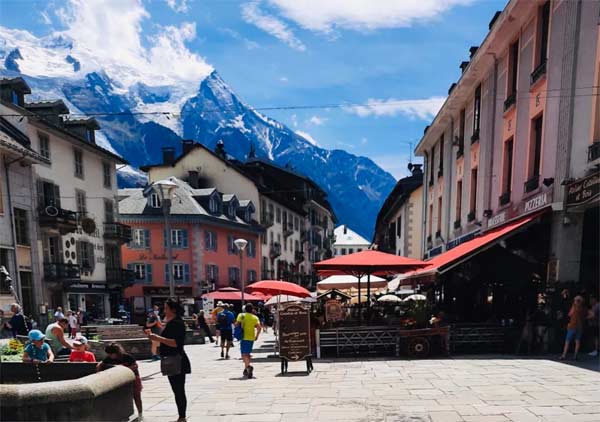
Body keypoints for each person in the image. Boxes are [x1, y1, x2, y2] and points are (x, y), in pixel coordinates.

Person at [147, 298, 191, 422]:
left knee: (178, 389)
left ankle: (182, 417)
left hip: (176, 359)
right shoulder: (171, 322)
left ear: (173, 309)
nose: (164, 310)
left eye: (166, 308)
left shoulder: (176, 323)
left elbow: (175, 343)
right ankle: (181, 416)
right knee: (177, 389)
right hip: (171, 358)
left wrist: (157, 338)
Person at [97, 343, 143, 418]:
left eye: (111, 354)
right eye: (108, 354)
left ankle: (140, 414)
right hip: (120, 380)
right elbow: (100, 364)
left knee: (137, 396)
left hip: (133, 378)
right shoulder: (108, 359)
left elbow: (135, 366)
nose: (110, 355)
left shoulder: (127, 357)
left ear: (116, 352)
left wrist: (124, 370)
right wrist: (98, 372)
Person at [235, 303, 262, 379]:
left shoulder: (241, 315)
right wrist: (257, 336)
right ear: (252, 309)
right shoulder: (255, 317)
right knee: (248, 354)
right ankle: (246, 369)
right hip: (251, 337)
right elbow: (259, 327)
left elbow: (237, 324)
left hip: (243, 337)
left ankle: (249, 367)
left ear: (245, 309)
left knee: (244, 354)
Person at [560, 295, 587, 360]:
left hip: (572, 325)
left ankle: (564, 355)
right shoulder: (583, 308)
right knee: (577, 341)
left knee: (567, 341)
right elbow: (589, 314)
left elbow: (570, 314)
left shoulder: (574, 307)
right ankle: (575, 355)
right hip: (579, 326)